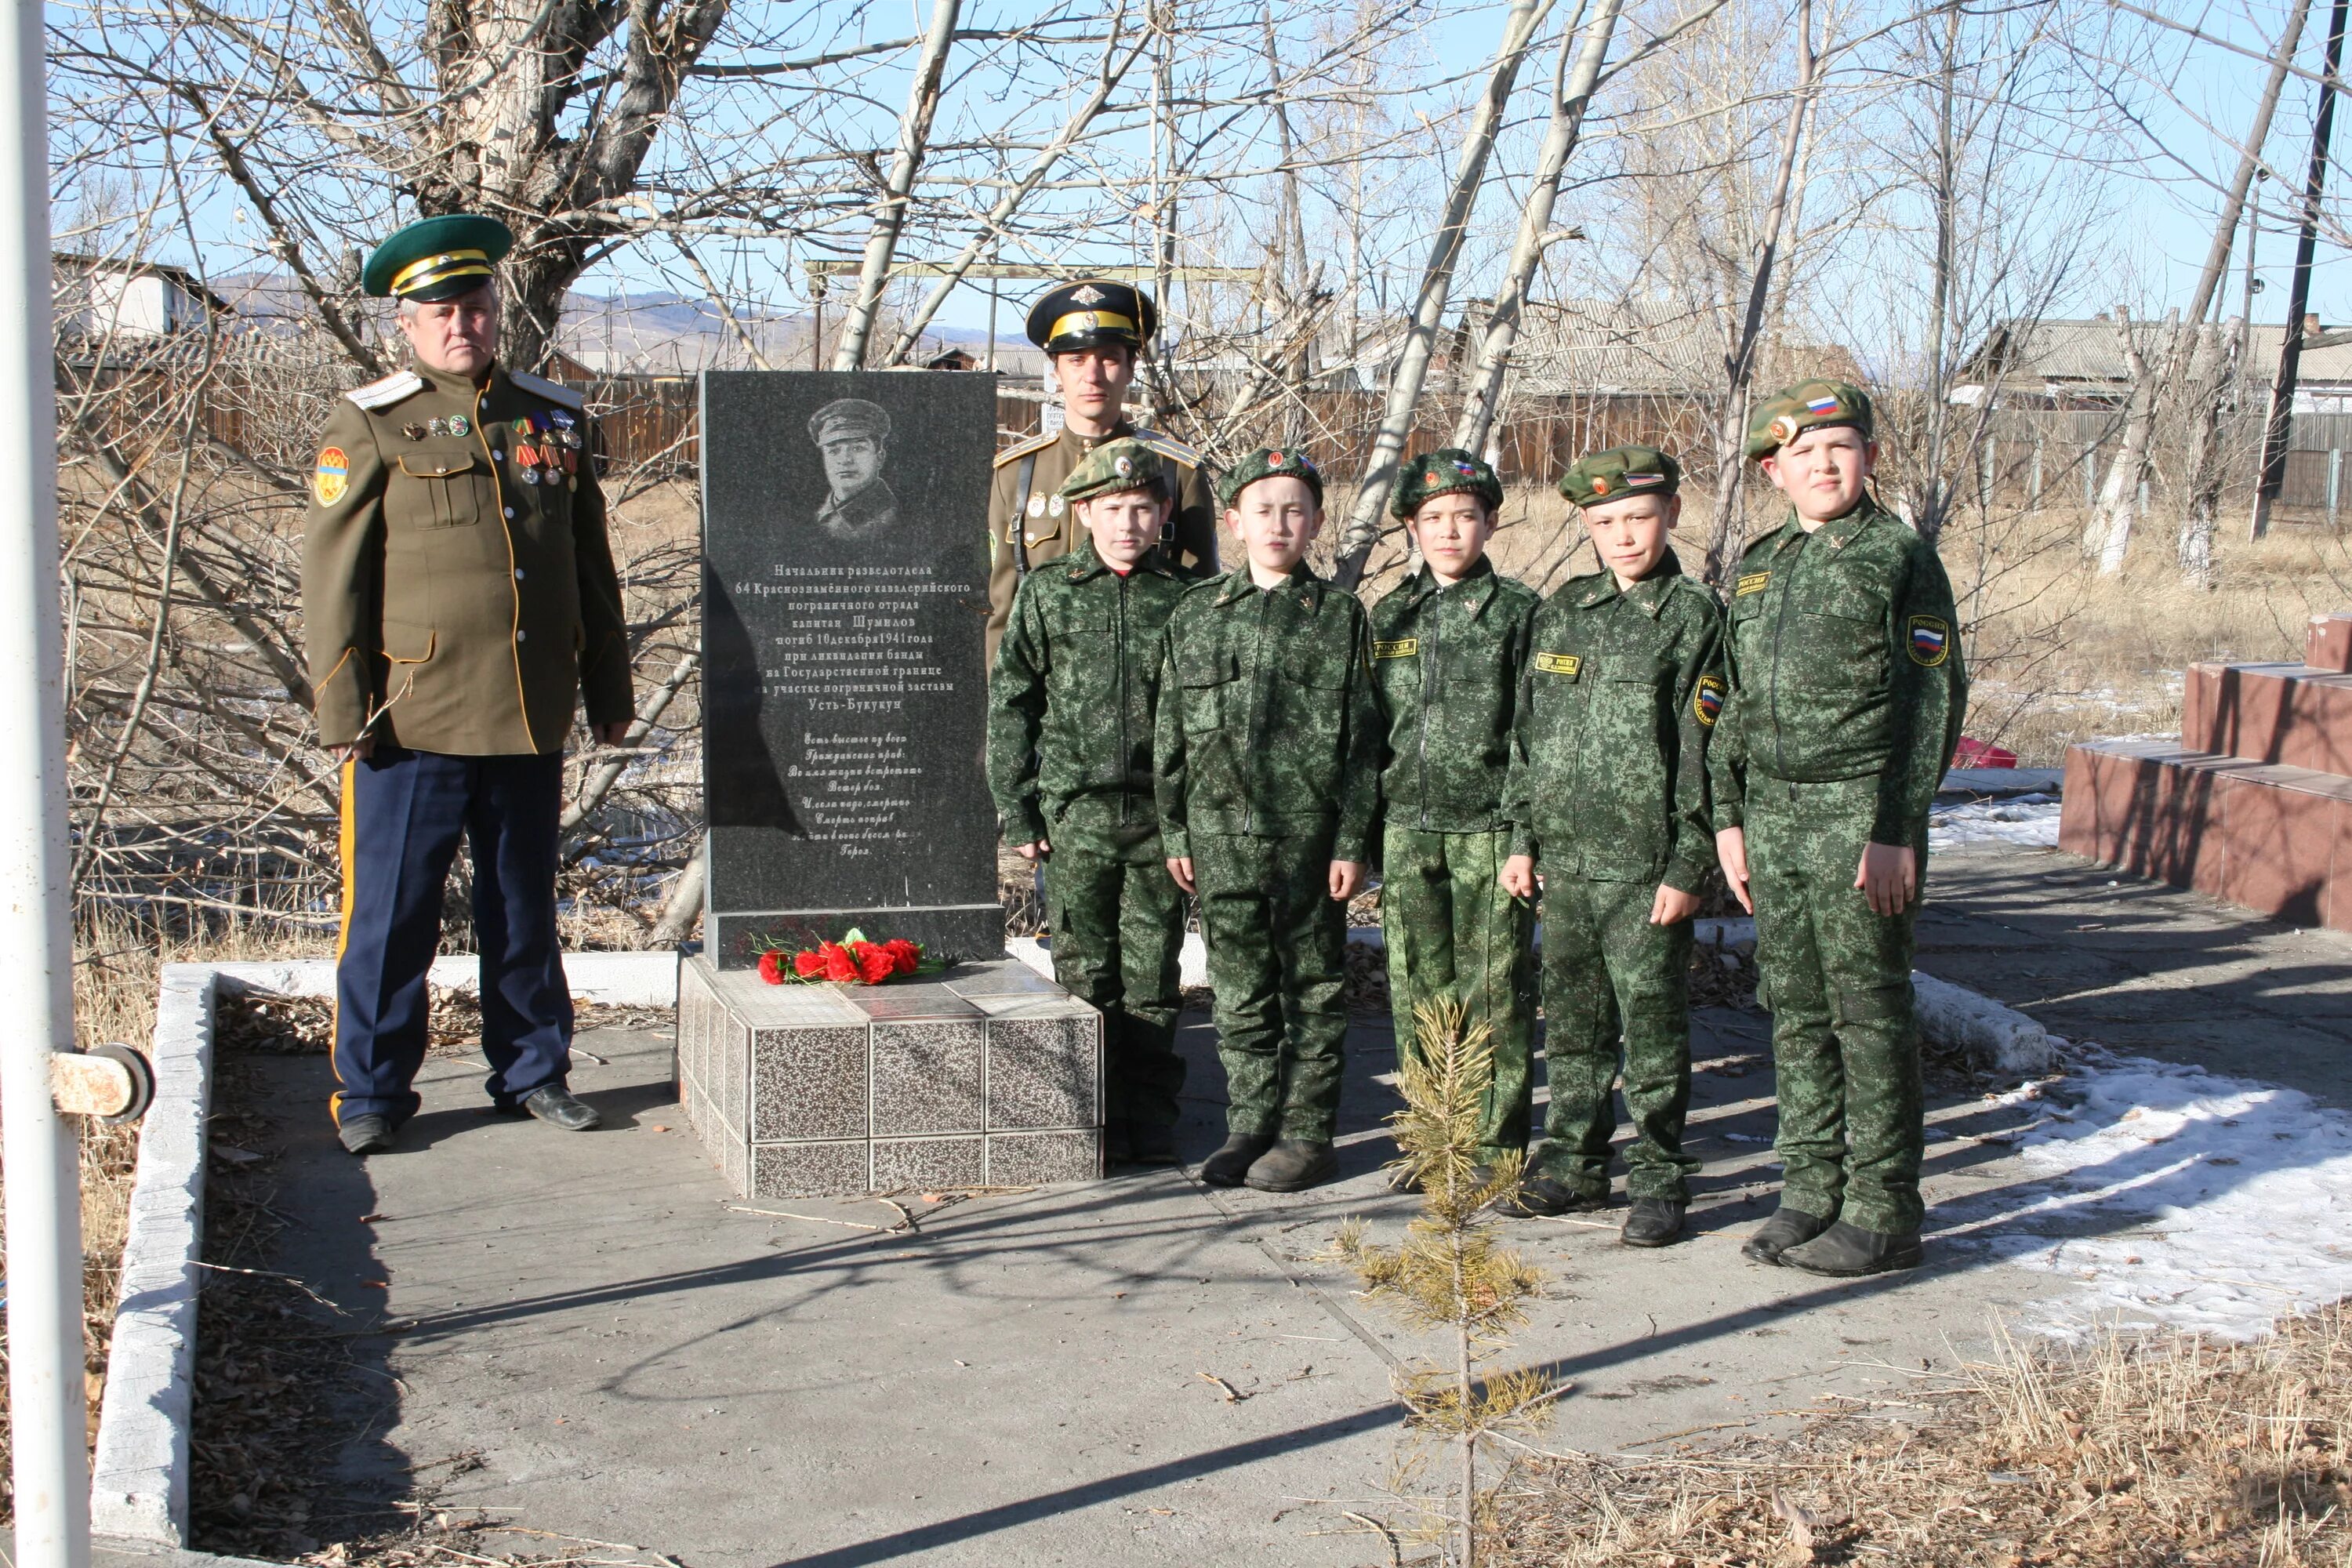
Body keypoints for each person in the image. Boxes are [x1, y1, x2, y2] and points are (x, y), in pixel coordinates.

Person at [303, 213, 635, 1156]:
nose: (463, 326)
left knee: (522, 902)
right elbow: (335, 579)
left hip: (528, 709)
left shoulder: (553, 416)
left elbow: (588, 565)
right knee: (393, 913)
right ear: (406, 322)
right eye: (441, 311)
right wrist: (343, 704)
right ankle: (370, 1090)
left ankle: (533, 1069)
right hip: (411, 717)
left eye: (477, 307)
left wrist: (607, 690)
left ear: (500, 312)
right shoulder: (370, 422)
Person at [1711, 380, 1968, 1277]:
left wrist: (1896, 826)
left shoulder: (1898, 557)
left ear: (1867, 459)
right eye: (1804, 454)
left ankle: (1885, 1207)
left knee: (1868, 1009)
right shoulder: (1759, 562)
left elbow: (1932, 696)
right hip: (1773, 814)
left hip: (1862, 808)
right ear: (1774, 470)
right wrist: (1728, 814)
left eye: (1842, 448)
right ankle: (1811, 1188)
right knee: (1794, 1008)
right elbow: (1733, 701)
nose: (1824, 466)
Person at [1499, 446, 1724, 1247]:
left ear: (1670, 515)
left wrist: (1690, 862)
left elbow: (1709, 752)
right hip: (1566, 861)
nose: (1624, 535)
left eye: (1638, 517)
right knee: (1575, 1024)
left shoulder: (1695, 617)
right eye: (1605, 522)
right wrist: (1521, 836)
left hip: (1646, 867)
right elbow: (1530, 738)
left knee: (1654, 1027)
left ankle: (1660, 1176)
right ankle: (1575, 1162)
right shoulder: (1563, 611)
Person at [1154, 448, 1381, 1193]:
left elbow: (1361, 739)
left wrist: (1352, 840)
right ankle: (1249, 1123)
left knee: (1311, 990)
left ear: (1315, 521)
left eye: (1295, 509)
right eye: (1263, 509)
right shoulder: (1196, 615)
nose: (1278, 524)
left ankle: (1308, 1135)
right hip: (1220, 841)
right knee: (1241, 988)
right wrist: (1178, 831)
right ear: (1234, 522)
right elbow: (1172, 734)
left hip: (1308, 841)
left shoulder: (1340, 617)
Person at [986, 439, 1193, 1167]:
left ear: (1165, 512)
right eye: (1113, 508)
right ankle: (1092, 1118)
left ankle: (1151, 1117)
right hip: (1076, 819)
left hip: (1162, 821)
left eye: (1142, 507)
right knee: (1084, 972)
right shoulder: (1049, 592)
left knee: (1153, 976)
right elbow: (1014, 700)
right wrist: (1018, 808)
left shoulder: (1188, 597)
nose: (1128, 522)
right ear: (1084, 513)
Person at [1366, 448, 1538, 1181]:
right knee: (1417, 987)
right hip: (1409, 828)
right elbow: (1371, 728)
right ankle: (1435, 1137)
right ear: (1410, 526)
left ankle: (1497, 1148)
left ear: (1491, 522)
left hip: (1490, 830)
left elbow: (1537, 733)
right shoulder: (1391, 612)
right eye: (1432, 518)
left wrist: (1524, 834)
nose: (1448, 531)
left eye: (1465, 516)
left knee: (1492, 991)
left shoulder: (1522, 614)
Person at [985, 279, 1219, 670]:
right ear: (1056, 371)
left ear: (1131, 368)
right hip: (1048, 704)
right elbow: (1001, 610)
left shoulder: (1175, 471)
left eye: (1109, 358)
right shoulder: (1015, 474)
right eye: (1076, 359)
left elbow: (1203, 602)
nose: (1092, 376)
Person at [808, 398, 898, 541]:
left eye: (858, 448)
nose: (845, 460)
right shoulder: (817, 517)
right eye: (834, 451)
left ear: (879, 458)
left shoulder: (895, 518)